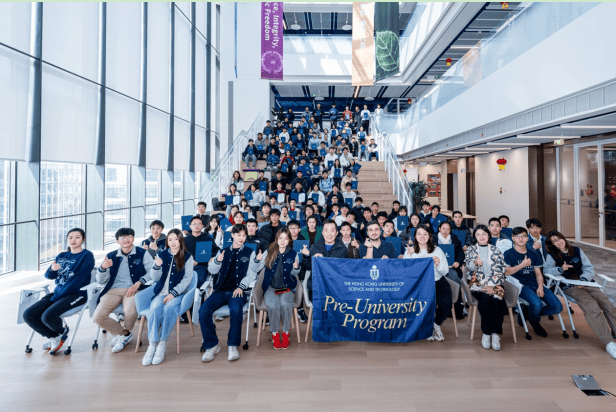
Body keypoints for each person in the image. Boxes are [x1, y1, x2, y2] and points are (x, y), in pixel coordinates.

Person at [544, 231, 616, 359]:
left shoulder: (576, 250)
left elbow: (588, 268)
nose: (558, 242)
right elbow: (547, 270)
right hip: (569, 285)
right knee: (591, 306)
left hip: (586, 282)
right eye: (554, 241)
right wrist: (560, 269)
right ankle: (609, 342)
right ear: (552, 245)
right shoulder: (552, 255)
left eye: (559, 238)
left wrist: (584, 280)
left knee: (608, 304)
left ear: (563, 238)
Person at [23, 228, 95, 355]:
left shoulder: (87, 256)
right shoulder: (61, 256)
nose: (73, 240)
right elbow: (48, 276)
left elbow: (78, 279)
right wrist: (52, 269)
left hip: (77, 294)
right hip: (58, 293)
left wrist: (58, 296)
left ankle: (59, 333)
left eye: (77, 237)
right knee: (28, 314)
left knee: (47, 316)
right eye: (70, 237)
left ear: (83, 240)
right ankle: (55, 336)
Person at [199, 224, 256, 362]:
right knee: (203, 311)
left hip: (238, 290)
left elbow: (251, 274)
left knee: (236, 311)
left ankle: (233, 345)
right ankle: (212, 345)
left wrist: (241, 287)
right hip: (220, 290)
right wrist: (217, 260)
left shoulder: (250, 252)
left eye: (244, 235)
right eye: (238, 235)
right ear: (232, 235)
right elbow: (212, 271)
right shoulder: (222, 251)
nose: (241, 238)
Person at [93, 228, 155, 353]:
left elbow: (152, 272)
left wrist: (139, 283)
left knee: (130, 311)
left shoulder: (142, 253)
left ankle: (123, 335)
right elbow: (101, 281)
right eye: (122, 237)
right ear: (117, 241)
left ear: (133, 238)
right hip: (113, 290)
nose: (126, 239)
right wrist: (102, 268)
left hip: (133, 289)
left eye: (129, 236)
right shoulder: (111, 256)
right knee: (98, 317)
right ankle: (124, 334)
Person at [139, 229, 194, 366]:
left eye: (176, 239)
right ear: (167, 242)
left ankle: (162, 343)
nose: (173, 242)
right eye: (170, 239)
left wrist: (173, 293)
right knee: (154, 309)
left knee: (169, 308)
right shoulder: (161, 254)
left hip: (177, 293)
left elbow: (187, 279)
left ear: (181, 240)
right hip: (161, 292)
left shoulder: (187, 257)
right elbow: (154, 277)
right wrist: (157, 266)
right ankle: (152, 345)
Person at [504, 227, 563, 338]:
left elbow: (538, 274)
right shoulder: (508, 254)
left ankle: (527, 313)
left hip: (535, 284)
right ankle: (535, 322)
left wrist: (540, 286)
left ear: (527, 238)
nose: (521, 239)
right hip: (519, 285)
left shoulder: (533, 254)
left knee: (557, 307)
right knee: (537, 304)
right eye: (517, 236)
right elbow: (507, 272)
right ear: (513, 238)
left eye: (523, 236)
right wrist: (522, 265)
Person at [251, 229, 300, 350]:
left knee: (285, 304)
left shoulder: (294, 253)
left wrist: (296, 268)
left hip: (287, 288)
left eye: (285, 238)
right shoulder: (269, 251)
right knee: (273, 305)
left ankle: (286, 332)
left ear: (289, 240)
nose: (282, 241)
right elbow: (256, 268)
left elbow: (295, 273)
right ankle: (275, 333)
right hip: (271, 288)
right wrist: (257, 260)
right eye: (280, 238)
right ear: (276, 239)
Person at [403, 224, 451, 342]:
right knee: (426, 305)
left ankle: (436, 325)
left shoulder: (437, 250)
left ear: (429, 236)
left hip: (437, 280)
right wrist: (408, 255)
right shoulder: (410, 250)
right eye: (419, 234)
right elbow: (405, 271)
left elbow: (445, 271)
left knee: (446, 303)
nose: (422, 237)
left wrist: (438, 264)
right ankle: (427, 327)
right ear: (415, 236)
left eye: (425, 234)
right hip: (419, 284)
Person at [464, 224, 507, 350]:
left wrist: (491, 285)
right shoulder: (471, 249)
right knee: (486, 300)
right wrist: (475, 263)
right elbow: (470, 267)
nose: (481, 237)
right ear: (475, 236)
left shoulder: (496, 250)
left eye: (484, 234)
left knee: (497, 300)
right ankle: (486, 333)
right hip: (477, 284)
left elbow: (501, 270)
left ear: (488, 235)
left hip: (495, 283)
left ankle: (495, 334)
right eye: (478, 234)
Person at [301, 220, 348, 300]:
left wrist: (323, 260)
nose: (329, 234)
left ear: (336, 233)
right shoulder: (315, 247)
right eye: (326, 231)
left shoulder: (343, 250)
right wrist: (307, 256)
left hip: (335, 287)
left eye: (332, 231)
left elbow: (342, 271)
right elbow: (308, 267)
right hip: (317, 286)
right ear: (322, 233)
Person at [184, 216, 220, 288]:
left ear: (202, 226)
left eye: (199, 224)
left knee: (198, 282)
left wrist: (213, 257)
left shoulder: (208, 238)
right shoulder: (184, 240)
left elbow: (216, 249)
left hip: (202, 267)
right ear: (190, 226)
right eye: (194, 224)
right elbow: (179, 254)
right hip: (186, 266)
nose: (197, 226)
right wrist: (189, 262)